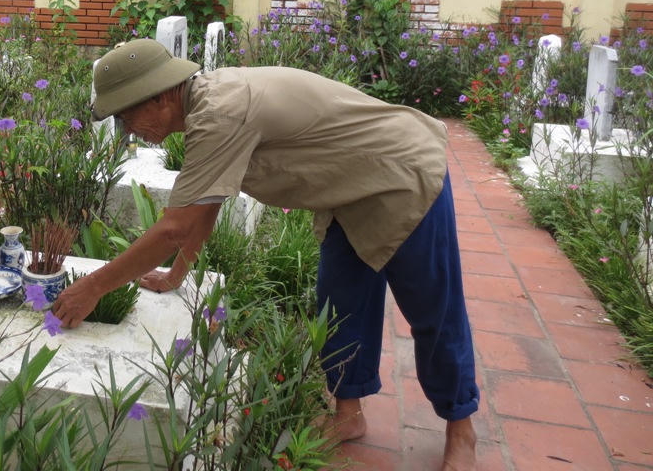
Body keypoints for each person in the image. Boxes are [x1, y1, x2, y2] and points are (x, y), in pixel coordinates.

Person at [52, 38, 479, 471]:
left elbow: (175, 226)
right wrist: (176, 275)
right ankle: (348, 416)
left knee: (432, 310)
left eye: (126, 117)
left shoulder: (220, 112)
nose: (127, 131)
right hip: (349, 193)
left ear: (161, 97)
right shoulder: (205, 107)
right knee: (341, 304)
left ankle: (461, 428)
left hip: (401, 174)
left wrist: (93, 286)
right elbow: (206, 206)